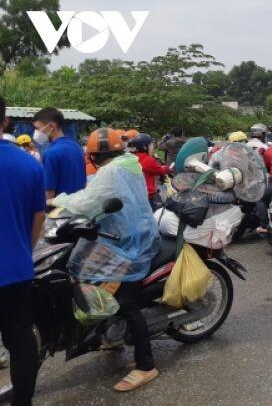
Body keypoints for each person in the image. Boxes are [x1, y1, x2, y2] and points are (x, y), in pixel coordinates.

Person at [52, 128, 160, 392]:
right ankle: (112, 336)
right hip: (128, 233)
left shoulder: (112, 171)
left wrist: (57, 200)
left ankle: (146, 366)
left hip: (127, 243)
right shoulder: (128, 163)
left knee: (125, 302)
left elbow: (89, 201)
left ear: (93, 156)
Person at [0, 96, 45, 406]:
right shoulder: (28, 163)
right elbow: (38, 217)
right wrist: (22, 250)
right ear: (5, 121)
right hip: (15, 270)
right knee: (20, 342)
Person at [32, 107, 87, 199]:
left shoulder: (51, 153)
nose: (36, 133)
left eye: (38, 128)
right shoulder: (77, 147)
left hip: (58, 210)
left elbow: (49, 194)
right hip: (78, 205)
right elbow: (84, 182)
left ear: (52, 126)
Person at [131, 134, 171, 210]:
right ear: (145, 147)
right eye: (151, 145)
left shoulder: (133, 157)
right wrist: (168, 168)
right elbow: (161, 171)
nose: (152, 147)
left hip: (137, 194)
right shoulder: (148, 160)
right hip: (148, 195)